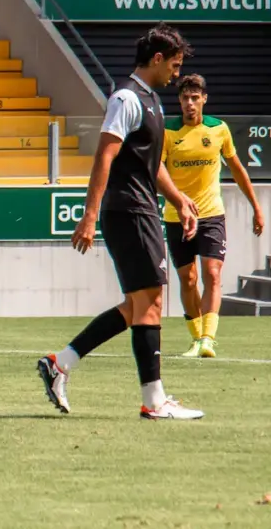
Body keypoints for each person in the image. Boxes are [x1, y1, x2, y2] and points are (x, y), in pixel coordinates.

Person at [36, 23, 205, 420]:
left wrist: (178, 198)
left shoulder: (151, 101)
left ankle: (59, 364)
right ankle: (154, 400)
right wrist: (88, 215)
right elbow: (104, 156)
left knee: (136, 306)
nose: (176, 75)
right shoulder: (126, 98)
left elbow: (150, 163)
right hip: (128, 211)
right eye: (175, 66)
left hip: (141, 208)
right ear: (157, 59)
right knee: (150, 303)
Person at [162, 73, 264, 358]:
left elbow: (237, 169)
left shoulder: (219, 129)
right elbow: (156, 172)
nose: (190, 103)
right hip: (176, 216)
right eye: (185, 98)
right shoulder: (167, 132)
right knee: (189, 279)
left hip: (211, 215)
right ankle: (196, 338)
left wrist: (256, 207)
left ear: (204, 99)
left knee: (212, 273)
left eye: (195, 98)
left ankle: (208, 338)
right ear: (179, 101)